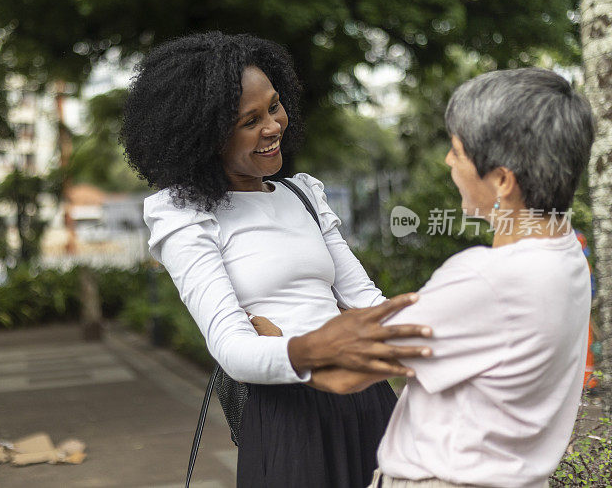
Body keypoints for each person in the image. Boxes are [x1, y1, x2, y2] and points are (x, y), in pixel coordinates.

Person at [120, 32, 430, 487]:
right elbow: (233, 349)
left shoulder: (302, 193)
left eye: (274, 106)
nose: (273, 126)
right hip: (290, 420)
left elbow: (367, 301)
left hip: (368, 404)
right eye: (250, 120)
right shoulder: (183, 214)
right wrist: (316, 352)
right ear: (204, 135)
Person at [369, 68, 595, 488]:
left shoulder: (487, 279)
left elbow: (351, 361)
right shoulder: (567, 251)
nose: (449, 161)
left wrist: (278, 337)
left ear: (503, 180)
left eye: (458, 150)